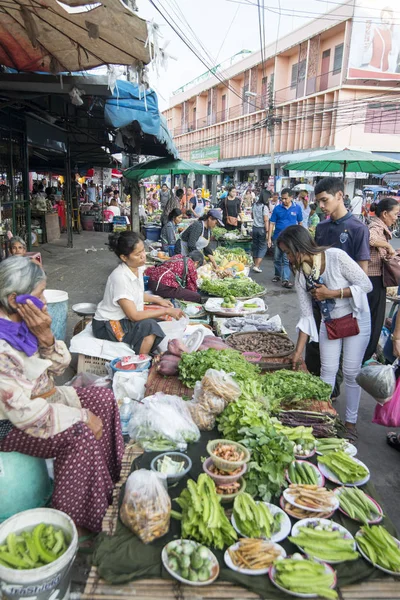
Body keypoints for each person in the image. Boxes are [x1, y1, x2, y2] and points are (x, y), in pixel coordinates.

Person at [0, 257, 124, 534]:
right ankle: (79, 525)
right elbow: (24, 414)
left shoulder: (23, 324)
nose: (44, 301)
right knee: (79, 433)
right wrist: (80, 416)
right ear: (13, 299)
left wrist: (45, 337)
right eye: (39, 294)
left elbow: (59, 367)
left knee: (102, 399)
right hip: (11, 423)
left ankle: (108, 484)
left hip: (46, 397)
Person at [277, 225, 372, 440]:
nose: (289, 258)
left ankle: (350, 422)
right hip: (330, 322)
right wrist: (297, 353)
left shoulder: (336, 257)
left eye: (289, 252)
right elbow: (307, 316)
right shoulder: (301, 276)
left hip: (356, 320)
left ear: (298, 245)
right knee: (327, 370)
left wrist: (332, 293)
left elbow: (366, 285)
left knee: (350, 372)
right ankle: (323, 419)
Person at [306, 177, 371, 399]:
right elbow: (316, 264)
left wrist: (334, 293)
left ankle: (341, 402)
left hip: (349, 307)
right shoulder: (322, 227)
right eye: (318, 202)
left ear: (340, 196)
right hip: (323, 303)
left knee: (349, 364)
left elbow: (362, 277)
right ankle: (326, 400)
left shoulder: (358, 229)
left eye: (324, 200)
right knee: (324, 361)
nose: (321, 206)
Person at [92, 232, 184, 355]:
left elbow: (135, 293)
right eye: (137, 254)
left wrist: (158, 300)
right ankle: (140, 361)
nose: (143, 256)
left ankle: (143, 349)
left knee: (158, 320)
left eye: (143, 251)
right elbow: (134, 316)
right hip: (107, 324)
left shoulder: (137, 268)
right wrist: (166, 311)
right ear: (124, 257)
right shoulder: (120, 278)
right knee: (150, 327)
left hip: (122, 318)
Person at [364, 198, 399, 362]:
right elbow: (370, 239)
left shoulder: (380, 226)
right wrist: (388, 246)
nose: (396, 218)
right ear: (385, 214)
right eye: (395, 214)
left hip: (376, 280)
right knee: (374, 323)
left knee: (374, 321)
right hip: (373, 280)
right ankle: (365, 357)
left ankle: (366, 354)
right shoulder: (375, 226)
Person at [268, 188, 303, 288]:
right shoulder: (277, 208)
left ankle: (285, 279)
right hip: (278, 238)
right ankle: (277, 275)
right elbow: (272, 223)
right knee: (276, 258)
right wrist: (269, 238)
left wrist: (300, 237)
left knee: (287, 259)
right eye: (282, 199)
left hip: (291, 239)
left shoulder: (297, 208)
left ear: (291, 197)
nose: (283, 201)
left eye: (285, 198)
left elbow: (300, 223)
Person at [252, 191, 270, 273]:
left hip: (254, 228)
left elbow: (252, 216)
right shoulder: (264, 207)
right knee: (263, 247)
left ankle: (255, 264)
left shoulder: (255, 205)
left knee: (255, 246)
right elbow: (266, 220)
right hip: (262, 229)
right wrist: (267, 231)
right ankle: (256, 265)